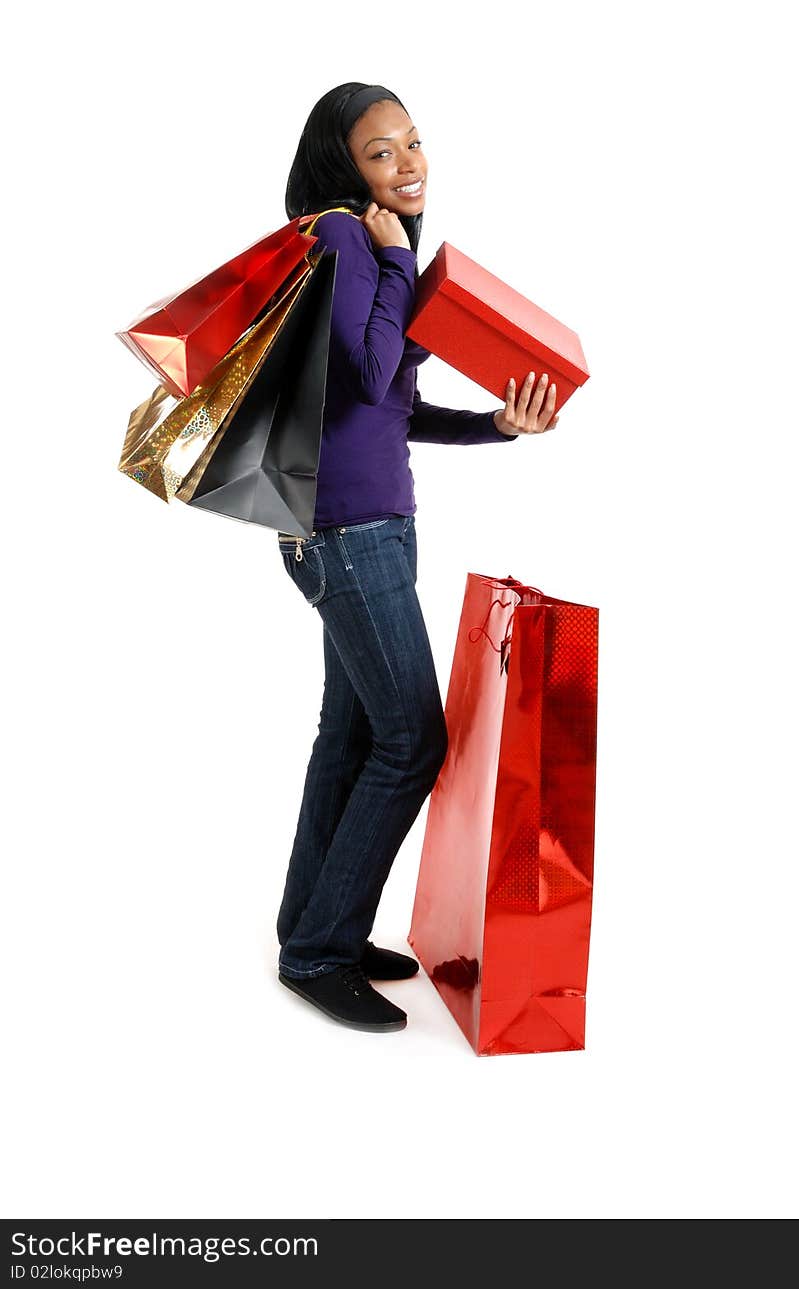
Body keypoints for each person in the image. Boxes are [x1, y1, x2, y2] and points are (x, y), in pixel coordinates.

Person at [276, 82, 559, 1034]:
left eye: (413, 144)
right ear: (340, 165)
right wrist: (398, 264)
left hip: (374, 529)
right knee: (411, 740)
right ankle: (320, 951)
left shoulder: (363, 243)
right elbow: (366, 359)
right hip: (347, 537)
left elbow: (387, 404)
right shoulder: (345, 237)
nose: (407, 165)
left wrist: (498, 426)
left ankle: (312, 932)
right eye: (380, 153)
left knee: (351, 737)